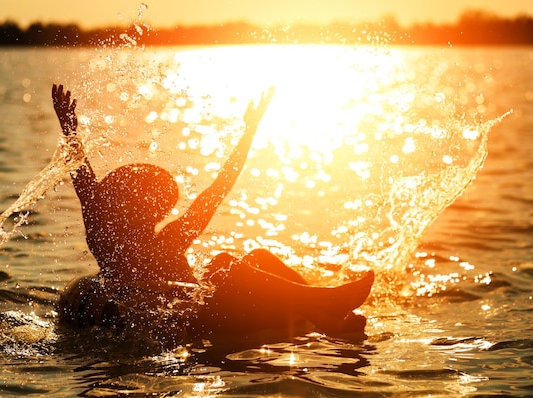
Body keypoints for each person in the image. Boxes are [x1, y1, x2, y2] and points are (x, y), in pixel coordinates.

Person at [52, 84, 374, 341]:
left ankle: (324, 312)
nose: (151, 209)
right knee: (221, 267)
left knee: (258, 257)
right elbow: (88, 191)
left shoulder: (170, 239)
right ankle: (324, 306)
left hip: (229, 316)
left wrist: (249, 133)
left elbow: (219, 188)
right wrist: (69, 131)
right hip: (207, 327)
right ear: (127, 207)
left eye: (152, 203)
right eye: (141, 201)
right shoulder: (110, 246)